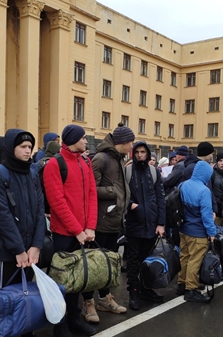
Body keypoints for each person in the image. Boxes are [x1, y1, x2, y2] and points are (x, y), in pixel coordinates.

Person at [0, 129, 46, 332]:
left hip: (30, 250)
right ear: (12, 148)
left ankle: (23, 329)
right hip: (8, 252)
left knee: (25, 294)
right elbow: (1, 217)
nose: (28, 151)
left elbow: (40, 211)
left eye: (30, 147)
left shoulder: (32, 173)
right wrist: (18, 249)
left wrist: (36, 246)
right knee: (6, 298)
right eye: (23, 147)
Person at [43, 124, 98, 337]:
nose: (86, 141)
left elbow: (92, 194)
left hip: (84, 232)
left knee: (78, 280)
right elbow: (57, 202)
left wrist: (90, 226)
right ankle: (61, 325)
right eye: (83, 138)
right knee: (63, 282)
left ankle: (74, 320)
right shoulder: (55, 164)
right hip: (65, 234)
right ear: (72, 140)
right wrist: (77, 230)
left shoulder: (85, 161)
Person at [81, 124, 135, 323]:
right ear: (121, 142)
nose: (132, 146)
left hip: (114, 221)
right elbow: (90, 190)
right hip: (100, 223)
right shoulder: (101, 158)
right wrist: (113, 192)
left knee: (108, 265)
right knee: (93, 264)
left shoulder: (118, 159)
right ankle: (88, 303)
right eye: (131, 142)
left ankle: (104, 298)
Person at [125, 141, 166, 311]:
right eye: (137, 152)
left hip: (151, 224)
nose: (140, 155)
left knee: (147, 260)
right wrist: (131, 204)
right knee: (133, 261)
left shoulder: (153, 171)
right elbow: (122, 193)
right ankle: (134, 291)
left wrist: (161, 223)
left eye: (143, 152)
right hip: (135, 223)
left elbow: (160, 198)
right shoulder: (127, 171)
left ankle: (146, 289)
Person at [177, 161, 216, 303]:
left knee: (184, 257)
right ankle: (191, 290)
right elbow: (206, 215)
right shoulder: (204, 190)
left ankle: (182, 284)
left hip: (184, 229)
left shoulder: (183, 184)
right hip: (198, 232)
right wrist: (212, 232)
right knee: (195, 260)